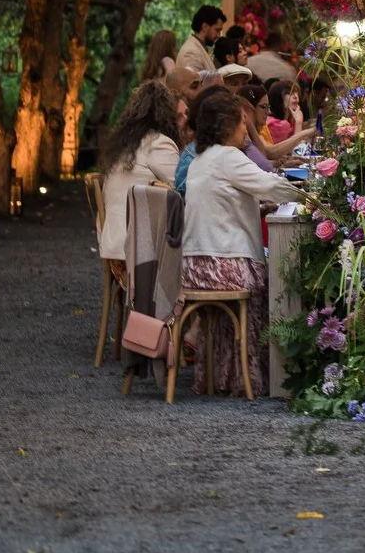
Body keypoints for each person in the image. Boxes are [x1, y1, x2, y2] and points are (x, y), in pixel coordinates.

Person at [180, 88, 300, 395]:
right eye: (242, 123)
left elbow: (224, 203)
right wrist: (310, 192)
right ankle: (268, 372)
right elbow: (272, 185)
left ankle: (223, 376)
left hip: (194, 265)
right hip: (223, 265)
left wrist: (258, 206)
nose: (246, 130)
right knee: (273, 278)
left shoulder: (202, 159)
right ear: (229, 125)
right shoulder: (229, 158)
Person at [94, 81, 182, 279]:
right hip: (142, 255)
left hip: (114, 248)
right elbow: (183, 189)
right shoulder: (159, 143)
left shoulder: (122, 147)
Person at [175, 5, 226, 82]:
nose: (219, 35)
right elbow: (194, 87)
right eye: (217, 30)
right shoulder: (191, 52)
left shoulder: (198, 47)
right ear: (204, 26)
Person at [262, 79, 303, 144]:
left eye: (296, 93)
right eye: (289, 93)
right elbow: (297, 151)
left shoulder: (289, 120)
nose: (296, 96)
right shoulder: (277, 125)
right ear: (278, 98)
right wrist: (298, 123)